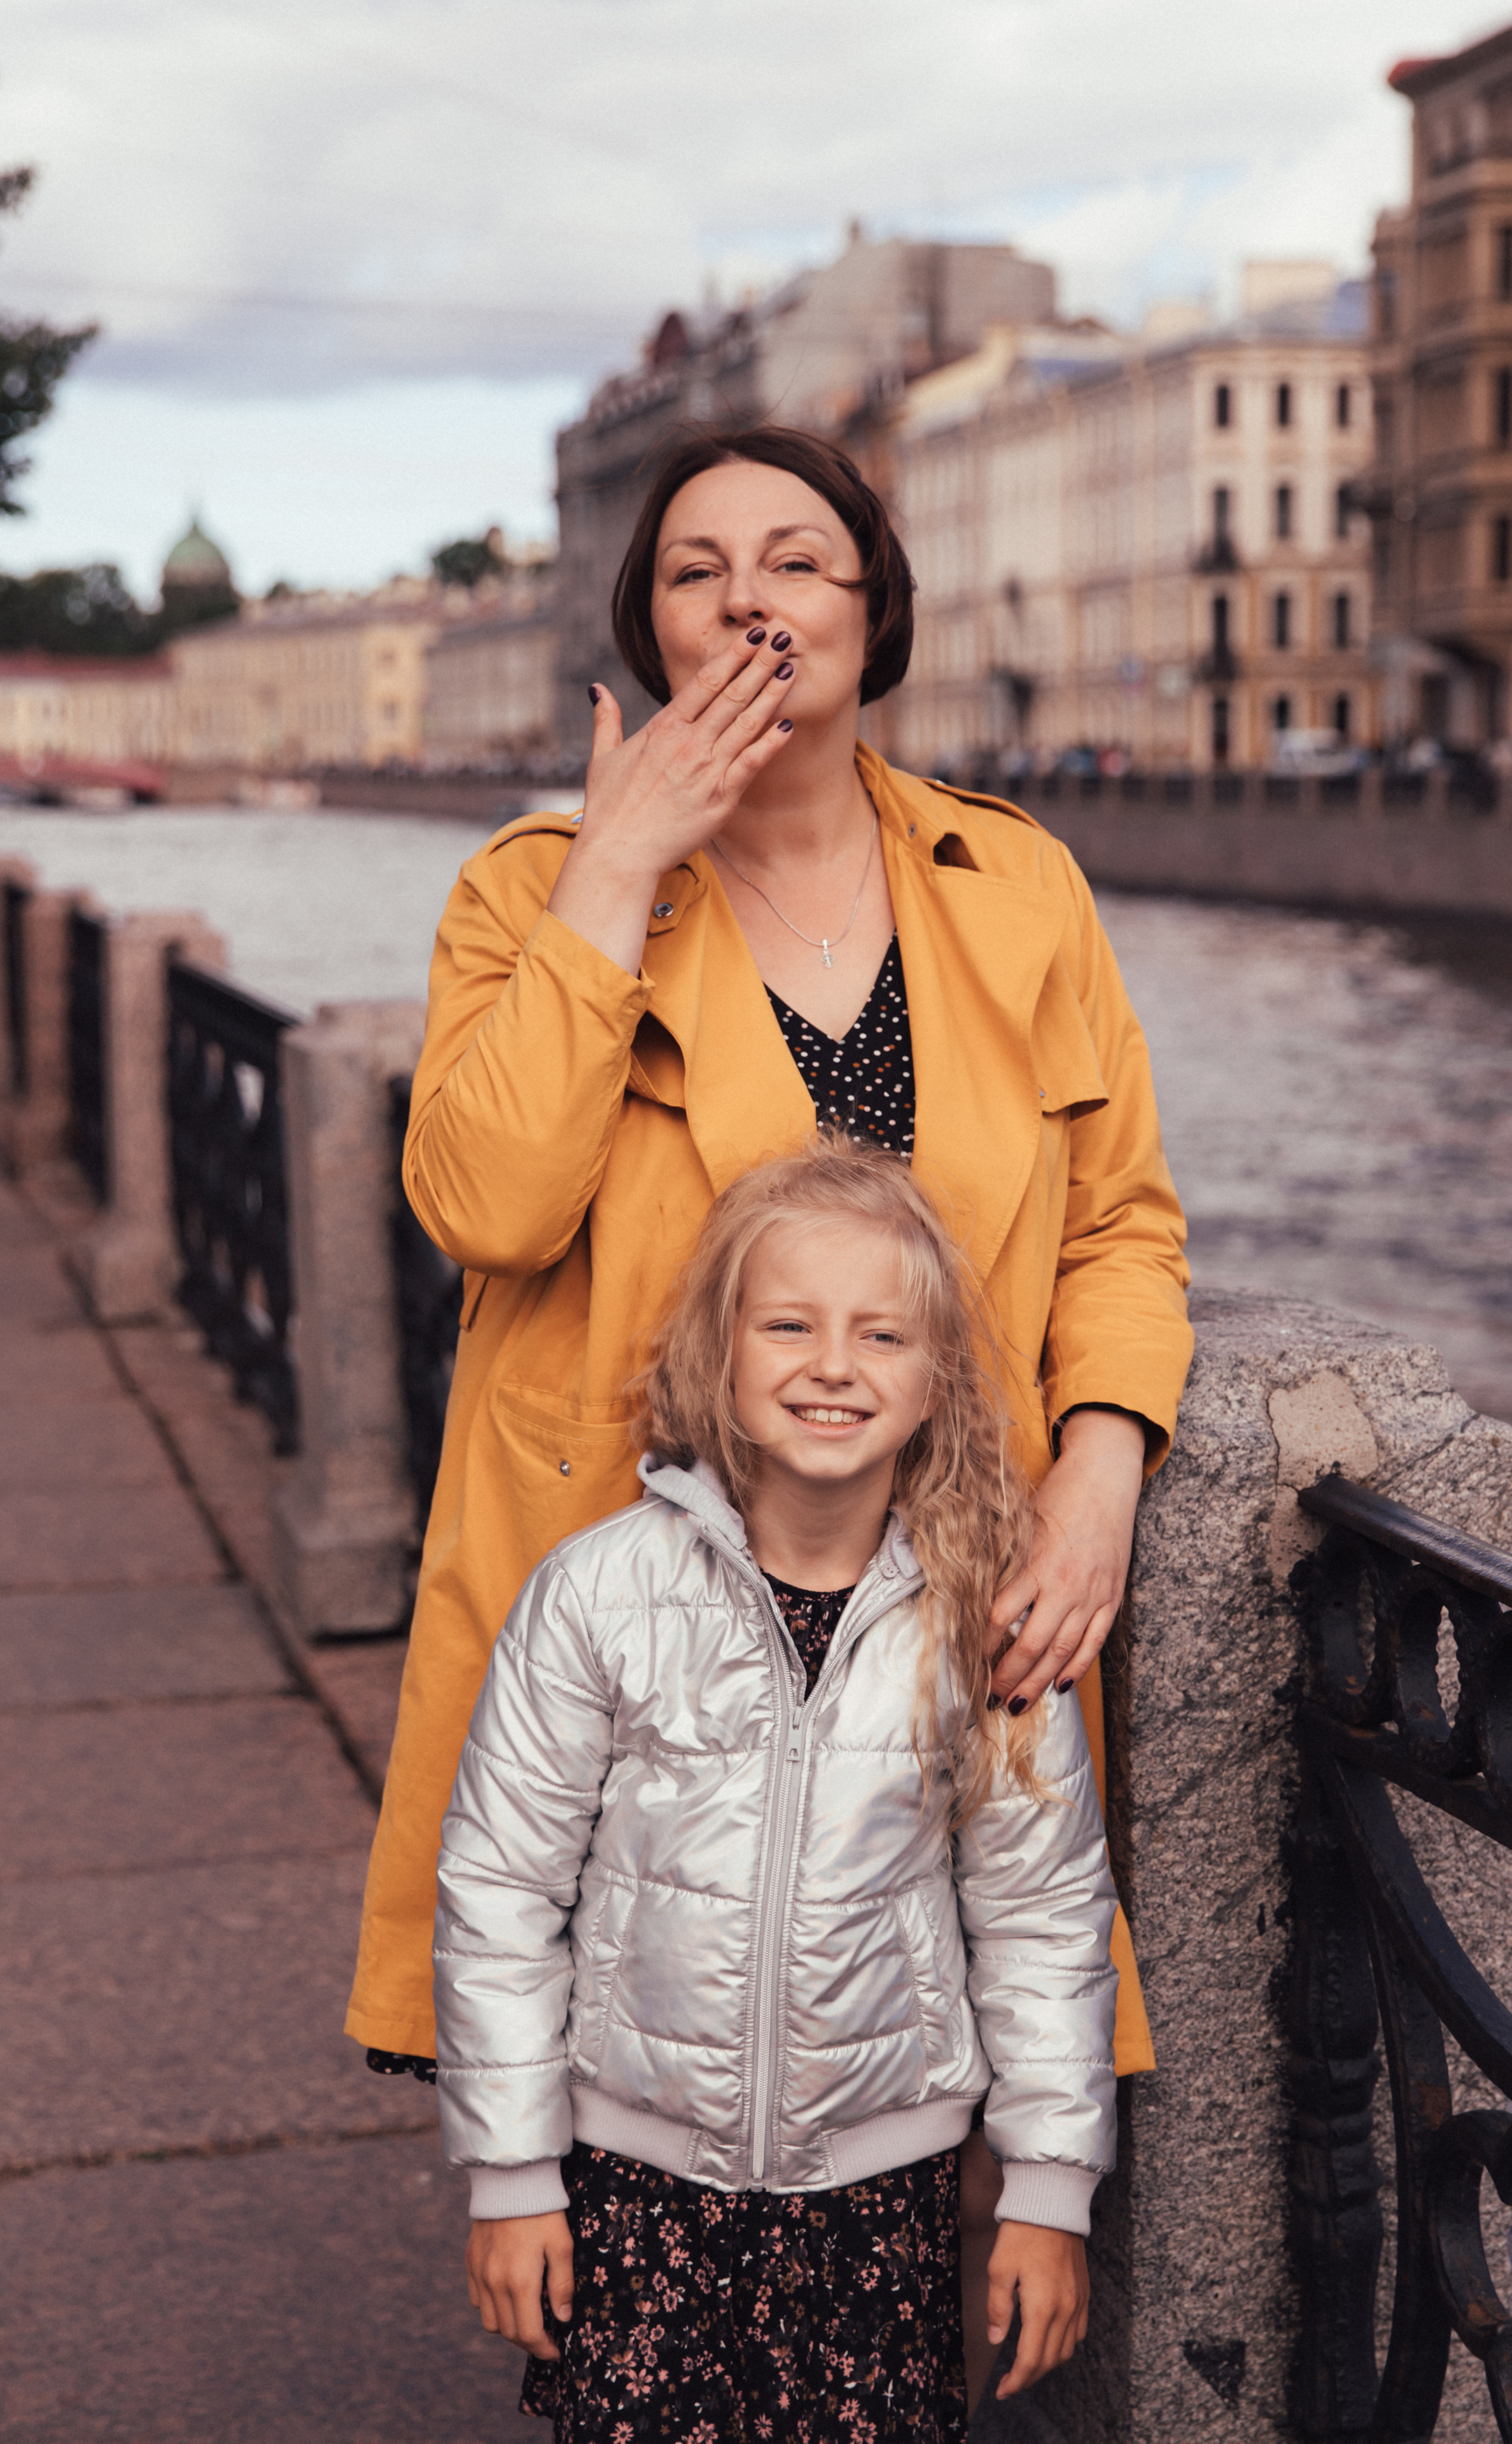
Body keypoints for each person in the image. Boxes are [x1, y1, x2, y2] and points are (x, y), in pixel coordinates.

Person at [349, 421, 1192, 2350]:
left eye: (799, 559)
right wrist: (623, 863)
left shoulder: (1016, 882)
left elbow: (1126, 1230)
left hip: (943, 1592)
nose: (750, 598)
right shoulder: (541, 885)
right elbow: (480, 1204)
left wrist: (1102, 1469)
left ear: (872, 606)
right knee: (637, 2121)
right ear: (646, 628)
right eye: (697, 567)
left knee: (919, 2108)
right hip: (639, 1598)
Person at [438, 1139, 1119, 2438]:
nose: (830, 1365)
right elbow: (500, 1892)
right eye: (788, 1324)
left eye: (880, 1336)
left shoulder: (981, 1620)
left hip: (879, 2201)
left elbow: (1040, 1921)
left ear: (932, 1384)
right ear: (721, 1354)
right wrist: (511, 2172)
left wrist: (1044, 2193)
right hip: (636, 2186)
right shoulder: (594, 1598)